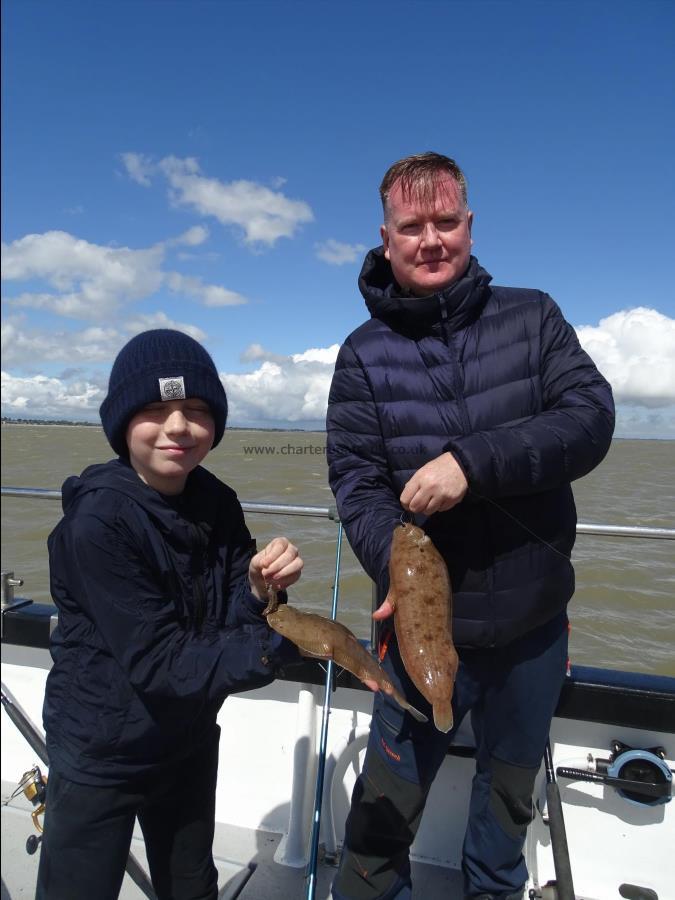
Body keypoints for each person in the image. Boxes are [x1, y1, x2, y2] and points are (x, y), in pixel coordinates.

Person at [326, 152, 615, 900]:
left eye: (445, 222)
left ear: (469, 226)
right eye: (411, 226)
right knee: (381, 818)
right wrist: (388, 556)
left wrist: (471, 462)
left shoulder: (534, 316)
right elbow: (354, 481)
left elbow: (589, 420)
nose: (430, 240)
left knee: (506, 807)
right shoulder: (362, 355)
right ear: (385, 236)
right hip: (414, 637)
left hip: (530, 628)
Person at [36, 328, 303, 900]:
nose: (178, 426)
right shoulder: (97, 525)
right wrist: (284, 647)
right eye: (155, 409)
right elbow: (161, 662)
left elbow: (232, 616)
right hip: (101, 749)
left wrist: (258, 593)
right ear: (121, 424)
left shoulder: (218, 501)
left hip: (185, 740)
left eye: (196, 409)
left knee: (191, 886)